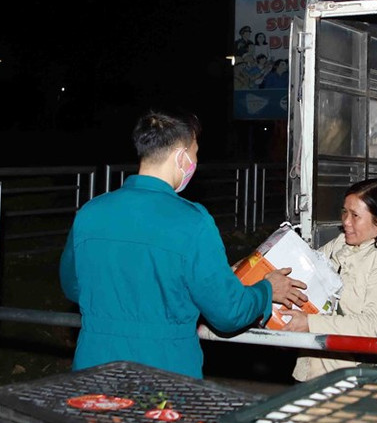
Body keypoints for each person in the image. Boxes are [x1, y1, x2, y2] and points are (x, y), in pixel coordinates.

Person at [59, 109, 307, 378]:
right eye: (195, 152)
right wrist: (266, 290)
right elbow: (228, 313)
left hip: (93, 369)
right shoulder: (193, 222)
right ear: (181, 157)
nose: (195, 162)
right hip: (164, 374)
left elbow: (74, 287)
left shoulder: (90, 212)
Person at [278, 178, 377, 381]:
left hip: (354, 377)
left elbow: (373, 326)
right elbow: (306, 268)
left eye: (355, 215)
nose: (346, 222)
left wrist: (311, 323)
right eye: (344, 212)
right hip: (314, 370)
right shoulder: (340, 244)